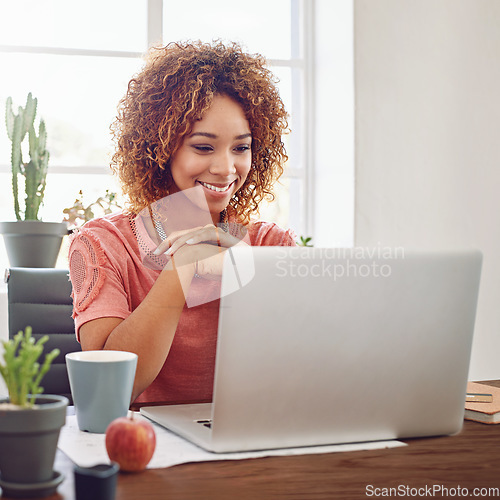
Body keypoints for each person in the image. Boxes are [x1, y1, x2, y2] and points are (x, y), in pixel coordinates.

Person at [68, 40, 296, 409]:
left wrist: (248, 266)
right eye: (204, 147)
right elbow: (107, 389)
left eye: (241, 148)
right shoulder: (103, 244)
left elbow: (305, 368)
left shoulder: (270, 244)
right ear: (159, 148)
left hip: (251, 446)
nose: (226, 168)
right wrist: (183, 265)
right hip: (148, 450)